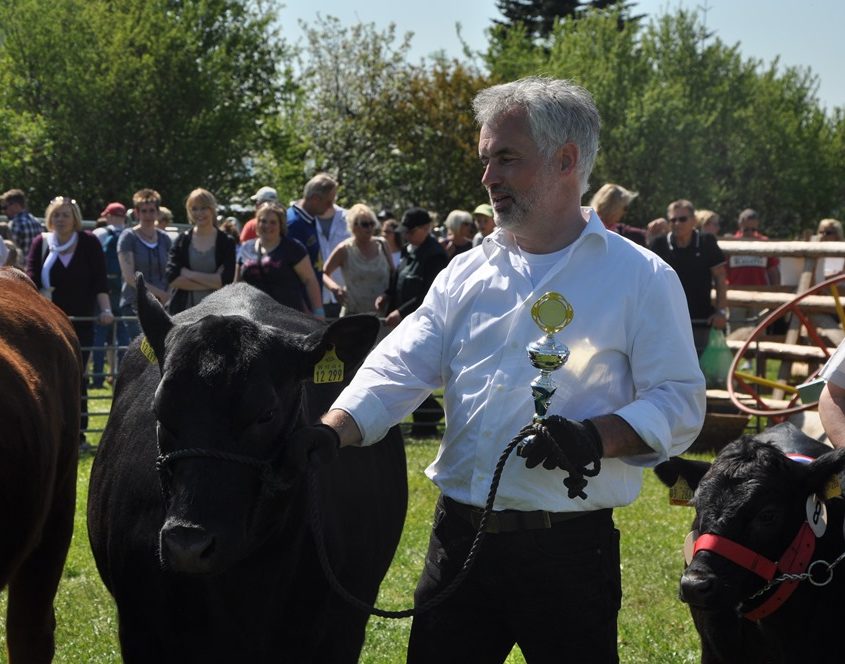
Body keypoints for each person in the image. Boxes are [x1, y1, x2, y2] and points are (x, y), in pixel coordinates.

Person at [289, 77, 704, 663]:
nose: (488, 178)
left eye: (506, 158)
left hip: (570, 556)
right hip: (459, 544)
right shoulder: (465, 273)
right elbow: (403, 361)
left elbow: (679, 403)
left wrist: (594, 437)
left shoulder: (643, 277)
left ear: (567, 160)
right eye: (486, 159)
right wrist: (333, 429)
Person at [26, 196, 113, 444]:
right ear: (49, 218)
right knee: (47, 376)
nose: (60, 219)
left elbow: (100, 280)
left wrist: (105, 310)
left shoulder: (89, 242)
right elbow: (31, 277)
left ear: (75, 218)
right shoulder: (41, 243)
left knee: (76, 376)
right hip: (46, 323)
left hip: (81, 323)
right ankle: (48, 432)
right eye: (56, 215)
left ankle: (78, 434)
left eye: (65, 214)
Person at [650, 199, 727, 355]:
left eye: (682, 219)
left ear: (693, 220)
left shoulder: (707, 242)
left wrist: (721, 311)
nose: (677, 223)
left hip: (701, 319)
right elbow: (648, 282)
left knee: (700, 370)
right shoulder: (659, 245)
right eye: (673, 220)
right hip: (667, 319)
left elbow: (720, 278)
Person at [235, 201, 323, 317]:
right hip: (253, 316)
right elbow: (237, 285)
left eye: (273, 222)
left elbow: (309, 280)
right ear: (257, 223)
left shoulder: (293, 248)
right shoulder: (245, 248)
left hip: (289, 318)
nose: (267, 226)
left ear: (280, 225)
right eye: (263, 221)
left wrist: (319, 312)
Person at [165, 188, 237, 314]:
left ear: (212, 209)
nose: (199, 213)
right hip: (183, 313)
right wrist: (213, 281)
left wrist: (188, 274)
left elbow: (226, 281)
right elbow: (173, 278)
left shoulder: (226, 242)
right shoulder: (181, 241)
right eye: (194, 208)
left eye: (204, 208)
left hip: (217, 313)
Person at [118, 189, 173, 339]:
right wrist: (159, 294)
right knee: (141, 352)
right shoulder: (128, 237)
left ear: (157, 212)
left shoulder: (165, 239)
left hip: (163, 306)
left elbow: (171, 270)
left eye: (151, 211)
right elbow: (130, 277)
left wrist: (167, 294)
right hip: (136, 304)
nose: (148, 215)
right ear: (137, 213)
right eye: (144, 211)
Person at [322, 203, 393, 316]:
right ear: (353, 226)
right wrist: (335, 289)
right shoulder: (345, 249)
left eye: (372, 223)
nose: (370, 228)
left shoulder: (382, 244)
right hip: (353, 315)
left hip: (382, 315)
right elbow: (324, 273)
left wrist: (387, 294)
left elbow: (394, 275)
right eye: (365, 224)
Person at [286, 173, 342, 316]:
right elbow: (289, 274)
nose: (331, 207)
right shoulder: (294, 224)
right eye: (328, 202)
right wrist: (307, 309)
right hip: (299, 309)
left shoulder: (309, 219)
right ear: (315, 199)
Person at [91, 202, 130, 387]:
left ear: (108, 216)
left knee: (99, 336)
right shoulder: (130, 234)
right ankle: (121, 376)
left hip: (103, 291)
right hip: (122, 290)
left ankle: (97, 378)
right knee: (123, 336)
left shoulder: (100, 234)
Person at [726, 208, 780, 334]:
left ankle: (758, 354)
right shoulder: (731, 243)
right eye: (746, 230)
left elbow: (773, 270)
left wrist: (775, 292)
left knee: (758, 332)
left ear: (758, 225)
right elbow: (722, 271)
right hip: (736, 295)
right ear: (740, 225)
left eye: (753, 229)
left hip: (759, 294)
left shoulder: (764, 242)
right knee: (735, 331)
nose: (750, 233)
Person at [2, 188, 45, 264]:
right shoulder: (37, 222)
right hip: (35, 267)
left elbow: (11, 253)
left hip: (20, 270)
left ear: (16, 206)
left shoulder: (15, 224)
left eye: (5, 207)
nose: (4, 211)